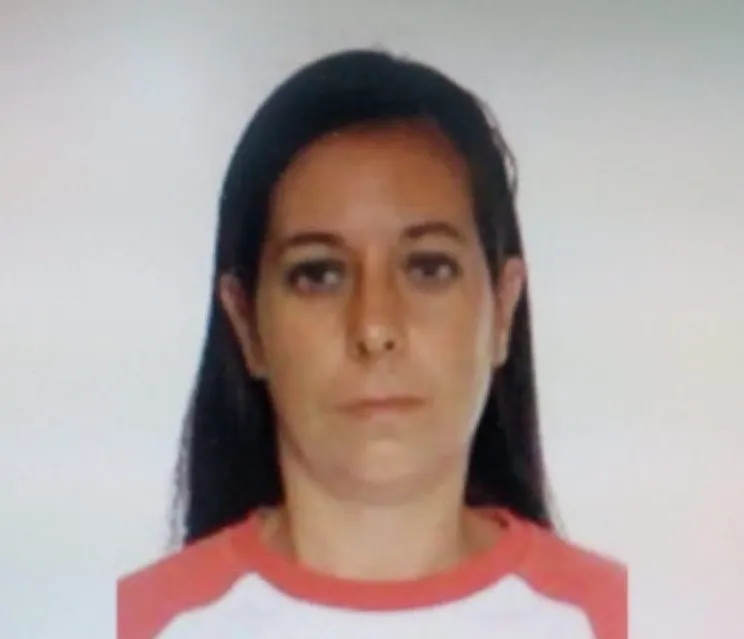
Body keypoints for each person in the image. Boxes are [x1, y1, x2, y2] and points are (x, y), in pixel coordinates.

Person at [117, 49, 627, 639]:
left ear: (503, 310)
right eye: (318, 274)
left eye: (429, 267)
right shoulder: (142, 620)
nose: (375, 327)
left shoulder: (611, 616)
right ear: (247, 325)